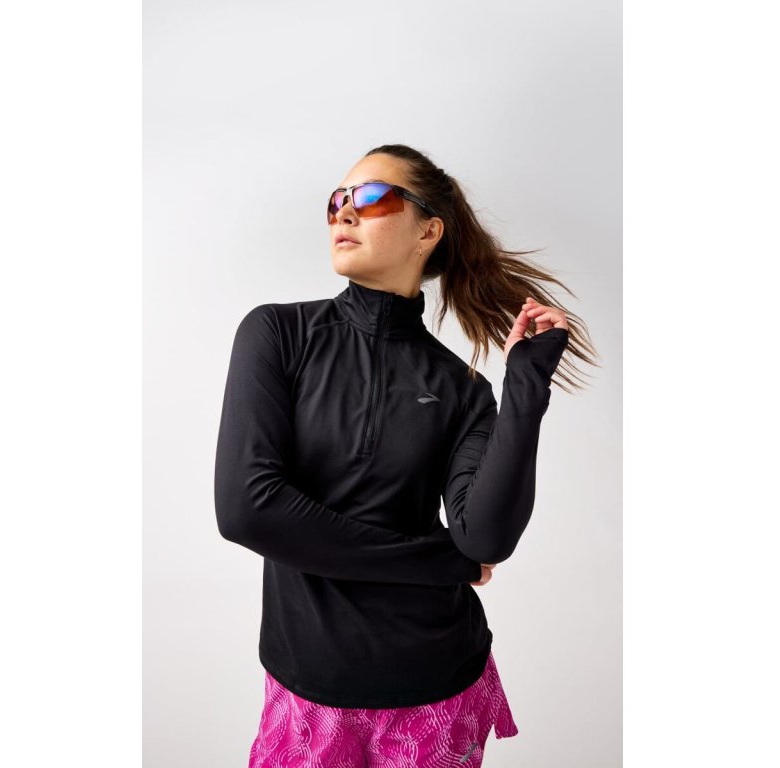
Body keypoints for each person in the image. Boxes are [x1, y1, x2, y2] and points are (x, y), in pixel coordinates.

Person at [214, 143, 598, 767]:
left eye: (370, 198)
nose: (344, 213)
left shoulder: (463, 390)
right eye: (337, 201)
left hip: (438, 689)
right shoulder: (278, 335)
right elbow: (247, 510)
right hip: (307, 692)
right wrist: (442, 562)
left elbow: (485, 538)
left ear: (428, 231)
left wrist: (525, 389)